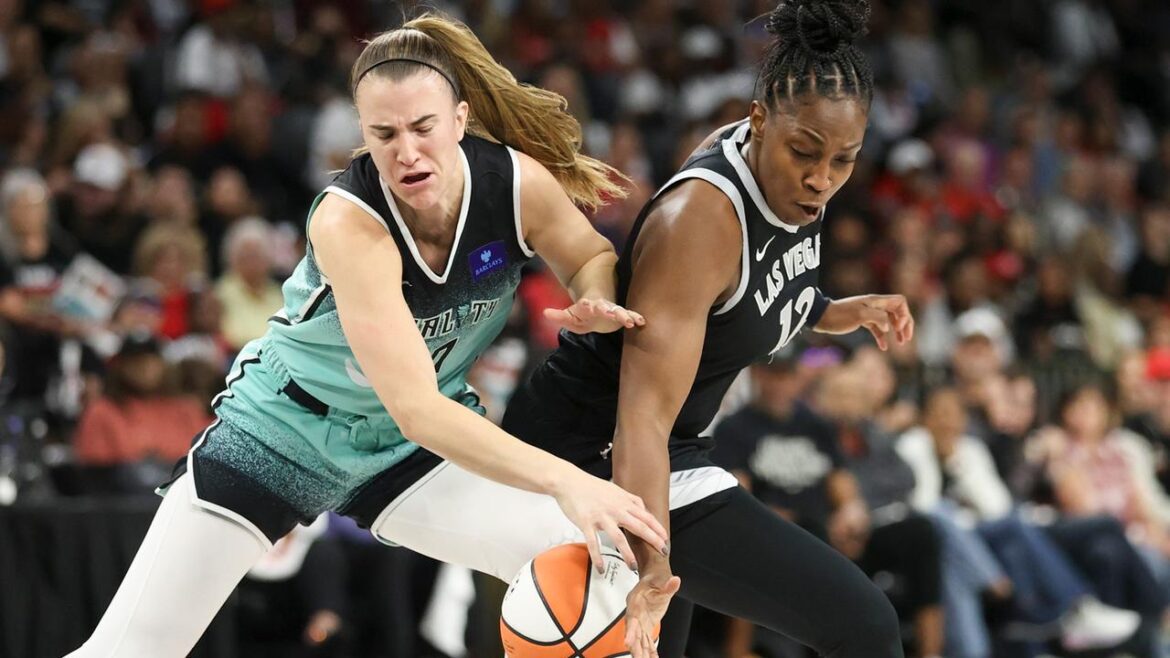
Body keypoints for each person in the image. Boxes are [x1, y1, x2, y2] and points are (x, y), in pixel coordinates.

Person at [66, 14, 670, 658]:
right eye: (384, 134)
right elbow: (417, 410)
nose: (405, 151)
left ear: (460, 121)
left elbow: (586, 253)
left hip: (399, 454)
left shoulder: (514, 183)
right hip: (283, 433)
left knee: (593, 569)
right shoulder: (351, 224)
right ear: (363, 135)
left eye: (422, 128)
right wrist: (566, 480)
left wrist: (595, 295)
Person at [369, 2, 914, 657]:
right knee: (865, 626)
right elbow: (643, 419)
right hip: (597, 453)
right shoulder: (700, 225)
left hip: (663, 450)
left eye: (843, 161)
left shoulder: (794, 185)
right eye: (806, 153)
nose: (821, 178)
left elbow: (761, 293)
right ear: (759, 121)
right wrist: (650, 559)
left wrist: (839, 309)